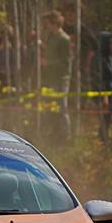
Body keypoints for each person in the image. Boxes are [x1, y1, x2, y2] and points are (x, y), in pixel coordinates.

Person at [40, 10, 72, 138]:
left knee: (62, 108)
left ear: (54, 23)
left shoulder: (64, 39)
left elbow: (65, 62)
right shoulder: (50, 37)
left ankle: (66, 135)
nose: (46, 26)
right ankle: (55, 133)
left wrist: (48, 63)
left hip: (61, 79)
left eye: (48, 23)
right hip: (50, 78)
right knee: (51, 108)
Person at [95, 31, 112, 148]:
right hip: (107, 93)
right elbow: (99, 78)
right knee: (106, 119)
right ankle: (103, 144)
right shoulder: (99, 59)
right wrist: (104, 96)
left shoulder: (110, 57)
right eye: (110, 43)